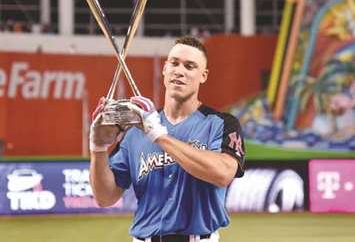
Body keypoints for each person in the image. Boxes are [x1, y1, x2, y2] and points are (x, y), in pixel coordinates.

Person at [89, 35, 245, 242]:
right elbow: (105, 197)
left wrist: (158, 135)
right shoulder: (134, 133)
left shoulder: (221, 123)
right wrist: (98, 147)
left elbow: (223, 173)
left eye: (190, 66)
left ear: (203, 76)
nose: (179, 71)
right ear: (165, 69)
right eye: (174, 63)